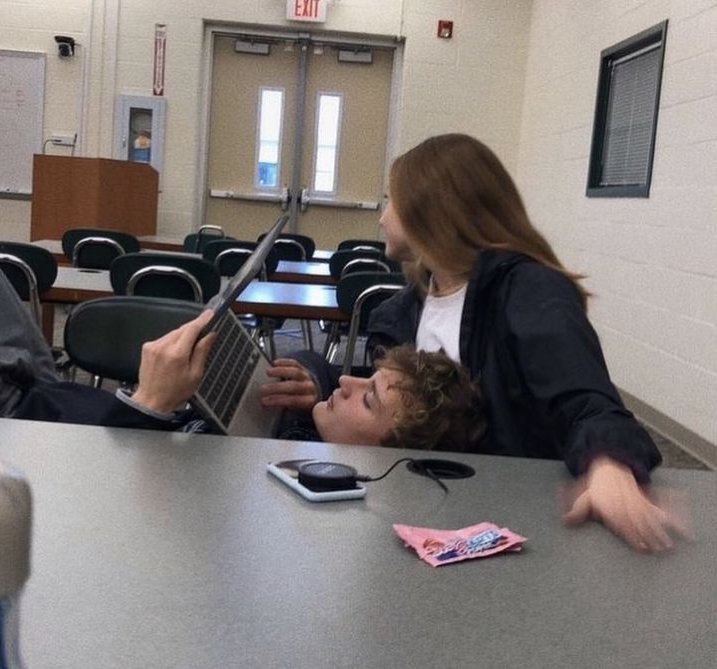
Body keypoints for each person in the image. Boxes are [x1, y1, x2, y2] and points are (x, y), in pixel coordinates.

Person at [261, 133, 689, 553]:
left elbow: (586, 400)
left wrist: (609, 464)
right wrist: (320, 379)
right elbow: (395, 400)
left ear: (431, 210)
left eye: (391, 201)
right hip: (431, 512)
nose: (382, 216)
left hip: (516, 523)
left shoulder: (529, 292)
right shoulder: (406, 308)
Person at [0, 245, 483, 449]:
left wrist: (150, 406)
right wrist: (315, 378)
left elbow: (118, 499)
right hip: (45, 388)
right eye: (364, 378)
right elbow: (328, 372)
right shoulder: (314, 428)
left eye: (367, 397)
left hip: (14, 429)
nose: (349, 382)